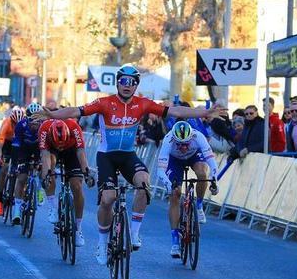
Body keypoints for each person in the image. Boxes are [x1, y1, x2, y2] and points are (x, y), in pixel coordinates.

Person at [38, 64, 226, 264]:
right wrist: (52, 115)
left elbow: (176, 111)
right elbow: (77, 110)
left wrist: (203, 113)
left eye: (132, 82)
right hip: (107, 156)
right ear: (117, 83)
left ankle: (134, 233)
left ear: (136, 85)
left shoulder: (143, 104)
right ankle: (102, 244)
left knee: (144, 184)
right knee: (108, 199)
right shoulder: (104, 103)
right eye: (123, 81)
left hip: (128, 155)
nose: (127, 85)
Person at [156, 121, 219, 258]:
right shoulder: (168, 140)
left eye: (186, 144)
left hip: (194, 156)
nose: (183, 147)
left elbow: (211, 162)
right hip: (174, 160)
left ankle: (199, 205)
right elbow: (160, 171)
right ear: (174, 139)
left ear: (191, 137)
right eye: (180, 144)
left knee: (202, 174)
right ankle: (174, 240)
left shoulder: (198, 137)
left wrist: (214, 179)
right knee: (175, 194)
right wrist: (169, 185)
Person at [38, 118, 94, 247]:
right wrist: (46, 175)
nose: (60, 146)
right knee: (49, 169)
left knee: (77, 186)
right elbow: (45, 156)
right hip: (52, 151)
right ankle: (52, 207)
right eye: (59, 144)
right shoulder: (44, 129)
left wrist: (86, 173)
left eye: (61, 143)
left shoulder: (74, 127)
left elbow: (81, 153)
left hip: (72, 151)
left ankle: (78, 228)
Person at [10, 103, 45, 224]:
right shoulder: (21, 125)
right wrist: (15, 164)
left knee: (43, 170)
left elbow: (48, 148)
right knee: (22, 178)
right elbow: (16, 145)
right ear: (27, 119)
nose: (35, 124)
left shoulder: (45, 126)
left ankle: (40, 191)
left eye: (37, 121)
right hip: (23, 150)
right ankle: (17, 211)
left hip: (38, 149)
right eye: (32, 121)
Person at [0, 107, 25, 216]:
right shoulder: (7, 123)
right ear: (11, 120)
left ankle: (20, 196)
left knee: (22, 170)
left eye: (18, 123)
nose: (16, 125)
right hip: (7, 144)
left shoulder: (24, 125)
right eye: (14, 123)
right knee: (4, 168)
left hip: (20, 144)